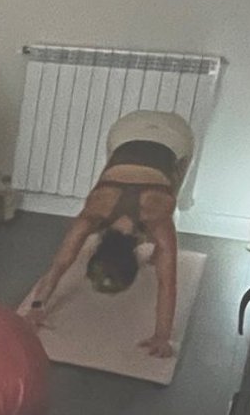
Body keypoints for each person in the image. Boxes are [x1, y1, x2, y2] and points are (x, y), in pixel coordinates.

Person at [22, 108, 194, 359]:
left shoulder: (142, 216)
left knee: (170, 189)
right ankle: (161, 249)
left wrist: (162, 337)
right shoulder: (103, 214)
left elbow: (168, 283)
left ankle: (160, 251)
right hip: (135, 131)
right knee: (161, 188)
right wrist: (35, 307)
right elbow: (60, 264)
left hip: (159, 133)